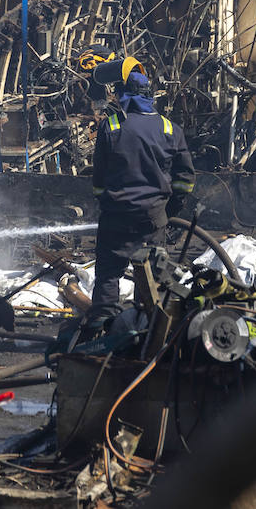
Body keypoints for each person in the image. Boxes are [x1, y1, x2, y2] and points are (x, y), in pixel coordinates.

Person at [85, 70, 195, 330]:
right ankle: (145, 328)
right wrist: (170, 208)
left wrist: (105, 203)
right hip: (153, 218)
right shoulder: (170, 128)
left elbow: (98, 176)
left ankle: (102, 328)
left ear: (124, 94)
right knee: (150, 275)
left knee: (109, 273)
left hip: (116, 216)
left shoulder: (110, 125)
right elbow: (185, 179)